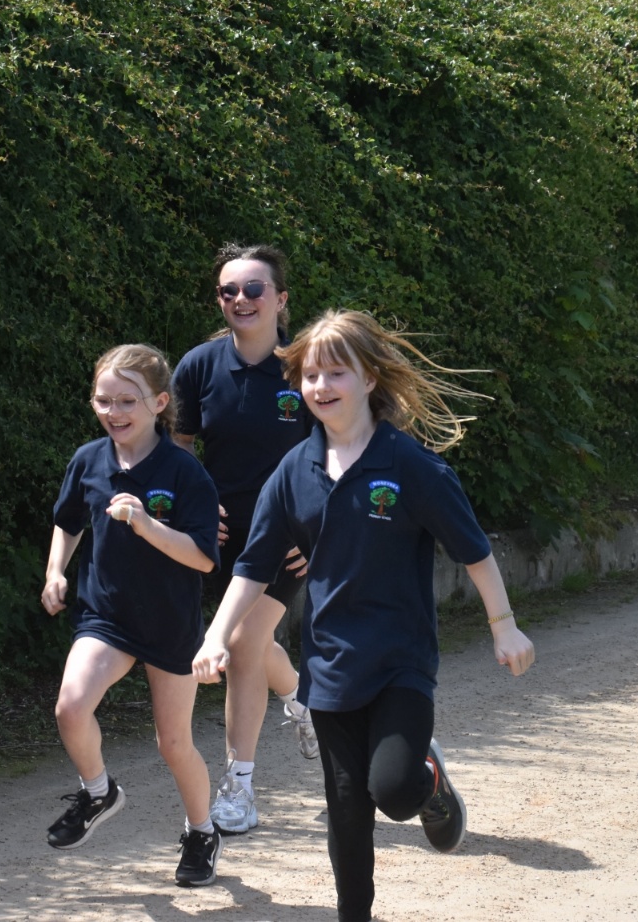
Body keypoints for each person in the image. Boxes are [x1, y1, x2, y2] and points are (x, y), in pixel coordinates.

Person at [192, 309, 535, 922]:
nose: (321, 386)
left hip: (400, 661)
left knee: (394, 793)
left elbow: (474, 549)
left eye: (336, 373)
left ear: (370, 378)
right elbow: (252, 567)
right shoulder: (292, 472)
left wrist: (502, 624)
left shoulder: (409, 464)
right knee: (348, 809)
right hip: (330, 666)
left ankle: (428, 781)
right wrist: (217, 636)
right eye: (310, 375)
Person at [40, 344, 224, 887]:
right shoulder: (88, 460)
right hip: (107, 616)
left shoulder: (185, 472)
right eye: (104, 400)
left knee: (174, 744)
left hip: (170, 623)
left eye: (127, 400)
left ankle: (202, 832)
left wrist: (147, 524)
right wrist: (55, 572)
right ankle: (99, 793)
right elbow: (69, 521)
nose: (114, 411)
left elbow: (203, 557)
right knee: (71, 707)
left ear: (159, 403)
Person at [172, 243, 317, 836]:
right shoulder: (197, 367)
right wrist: (195, 509)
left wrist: (316, 527)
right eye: (229, 290)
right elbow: (179, 450)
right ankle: (303, 702)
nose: (241, 299)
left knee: (240, 642)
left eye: (254, 289)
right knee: (249, 645)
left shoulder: (305, 367)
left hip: (287, 536)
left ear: (280, 300)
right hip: (222, 537)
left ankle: (239, 787)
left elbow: (335, 453)